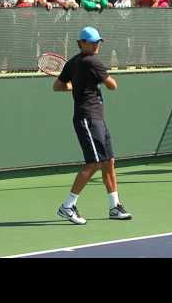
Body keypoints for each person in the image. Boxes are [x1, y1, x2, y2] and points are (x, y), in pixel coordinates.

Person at [53, 26, 132, 225]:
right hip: (88, 118)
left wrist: (73, 86)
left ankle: (115, 206)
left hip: (96, 118)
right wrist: (104, 80)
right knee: (94, 163)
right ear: (82, 43)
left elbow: (58, 86)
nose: (97, 45)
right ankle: (67, 206)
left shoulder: (72, 63)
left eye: (98, 42)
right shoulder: (93, 62)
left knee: (109, 161)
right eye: (93, 42)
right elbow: (113, 85)